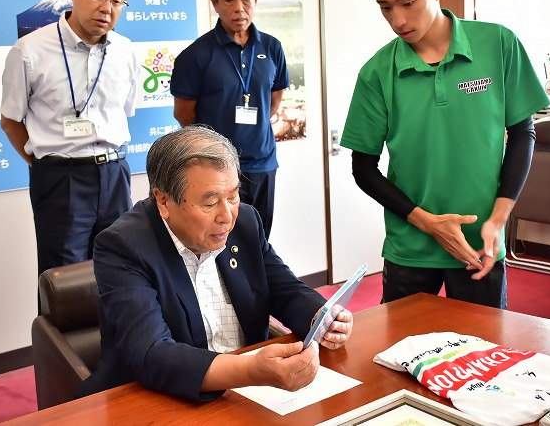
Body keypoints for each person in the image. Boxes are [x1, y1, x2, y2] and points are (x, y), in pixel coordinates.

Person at [340, 0, 550, 309]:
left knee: (484, 359)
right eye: (385, 7)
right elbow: (363, 168)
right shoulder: (376, 73)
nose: (398, 20)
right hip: (409, 248)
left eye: (408, 2)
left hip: (479, 245)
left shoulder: (499, 45)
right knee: (399, 360)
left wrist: (498, 219)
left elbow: (523, 132)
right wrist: (427, 223)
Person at [80, 125, 353, 401]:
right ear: (163, 200)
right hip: (162, 398)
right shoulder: (123, 246)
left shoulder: (245, 221)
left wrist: (321, 317)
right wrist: (251, 370)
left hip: (252, 395)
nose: (227, 216)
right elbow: (152, 353)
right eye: (210, 204)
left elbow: (284, 289)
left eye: (233, 196)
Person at [0, 0, 139, 283]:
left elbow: (124, 112)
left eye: (118, 0)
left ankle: (118, 337)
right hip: (61, 178)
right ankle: (58, 338)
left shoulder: (127, 51)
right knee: (63, 279)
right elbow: (10, 121)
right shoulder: (29, 50)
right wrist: (46, 163)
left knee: (120, 270)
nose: (107, 8)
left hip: (115, 172)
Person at [171, 0, 288, 239]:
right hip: (215, 170)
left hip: (261, 164)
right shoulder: (196, 55)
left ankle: (258, 284)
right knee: (219, 242)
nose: (239, 7)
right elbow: (183, 115)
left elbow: (274, 100)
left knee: (259, 239)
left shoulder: (271, 47)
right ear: (215, 3)